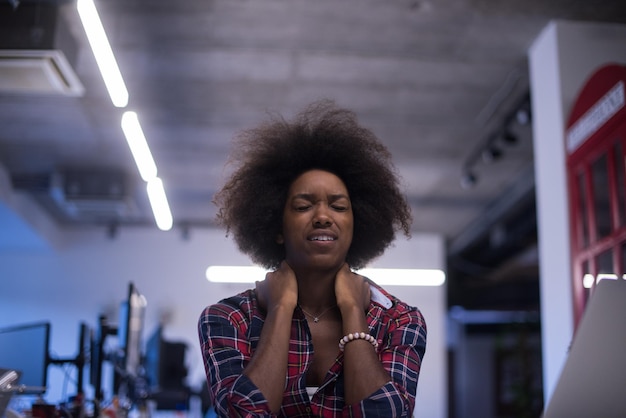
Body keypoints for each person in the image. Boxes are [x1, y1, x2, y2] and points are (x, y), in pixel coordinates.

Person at [198, 100, 427, 417]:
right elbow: (244, 413)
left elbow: (385, 414)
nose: (322, 216)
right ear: (277, 226)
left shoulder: (399, 321)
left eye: (338, 206)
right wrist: (280, 308)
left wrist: (352, 312)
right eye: (304, 206)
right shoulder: (228, 318)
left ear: (357, 223)